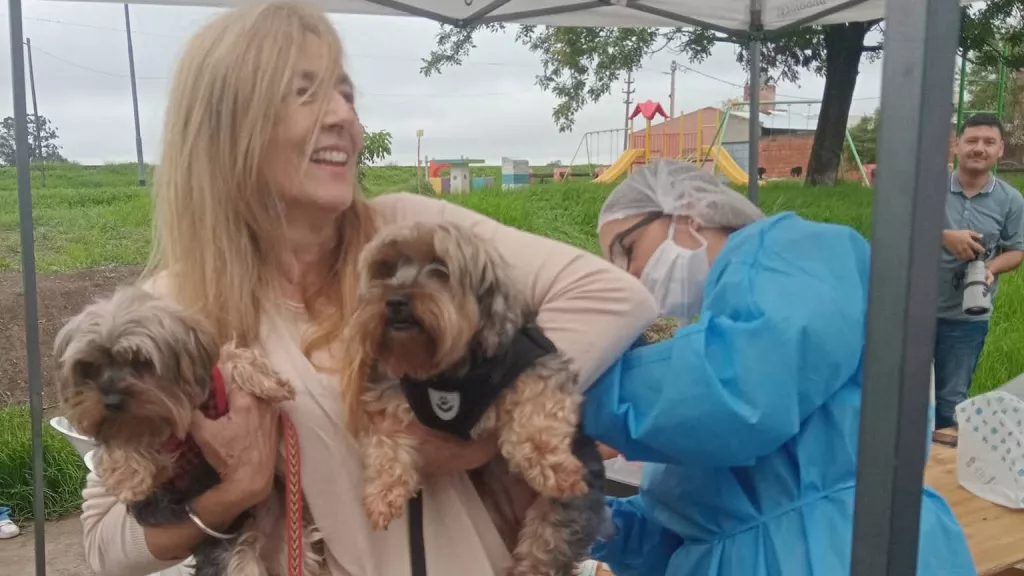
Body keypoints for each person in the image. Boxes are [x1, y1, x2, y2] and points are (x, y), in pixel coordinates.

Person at [77, 3, 657, 575]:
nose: (342, 116)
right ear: (227, 125)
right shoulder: (172, 308)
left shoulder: (412, 237)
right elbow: (105, 546)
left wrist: (483, 429)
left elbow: (612, 298)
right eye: (305, 93)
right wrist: (235, 492)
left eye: (346, 94)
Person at [580, 159, 975, 576]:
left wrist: (573, 400)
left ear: (686, 209)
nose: (630, 275)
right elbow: (699, 524)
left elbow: (739, 397)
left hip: (840, 552)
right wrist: (594, 521)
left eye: (628, 249)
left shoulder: (799, 256)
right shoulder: (716, 339)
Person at [934, 113, 1024, 430]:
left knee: (950, 401)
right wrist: (944, 236)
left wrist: (989, 268)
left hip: (967, 319)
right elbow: (897, 229)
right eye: (971, 140)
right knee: (903, 394)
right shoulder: (928, 189)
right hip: (913, 311)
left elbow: (1017, 250)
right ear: (957, 145)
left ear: (1001, 149)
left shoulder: (1011, 200)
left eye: (989, 142)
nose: (979, 148)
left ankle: (939, 460)